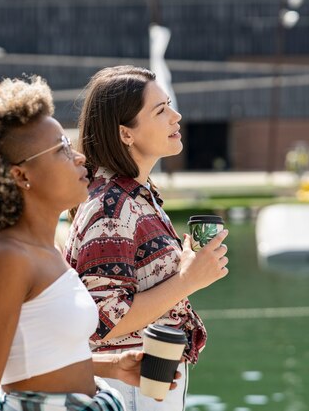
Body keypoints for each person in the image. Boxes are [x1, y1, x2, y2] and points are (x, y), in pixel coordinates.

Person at [0, 76, 178, 411]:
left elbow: (38, 356)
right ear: (21, 175)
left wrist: (112, 366)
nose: (79, 157)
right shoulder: (7, 259)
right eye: (62, 150)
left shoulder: (46, 250)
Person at [65, 66, 229, 411]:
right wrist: (188, 279)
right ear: (126, 133)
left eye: (169, 105)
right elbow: (102, 319)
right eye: (161, 110)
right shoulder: (112, 207)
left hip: (144, 386)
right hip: (129, 391)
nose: (176, 116)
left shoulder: (133, 195)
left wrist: (186, 266)